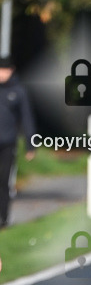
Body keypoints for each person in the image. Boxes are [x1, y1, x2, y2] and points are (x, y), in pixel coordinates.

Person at [0, 57, 36, 229]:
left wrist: (30, 144)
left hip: (8, 143)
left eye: (5, 70)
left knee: (3, 180)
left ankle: (4, 218)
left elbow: (26, 118)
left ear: (11, 71)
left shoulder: (18, 91)